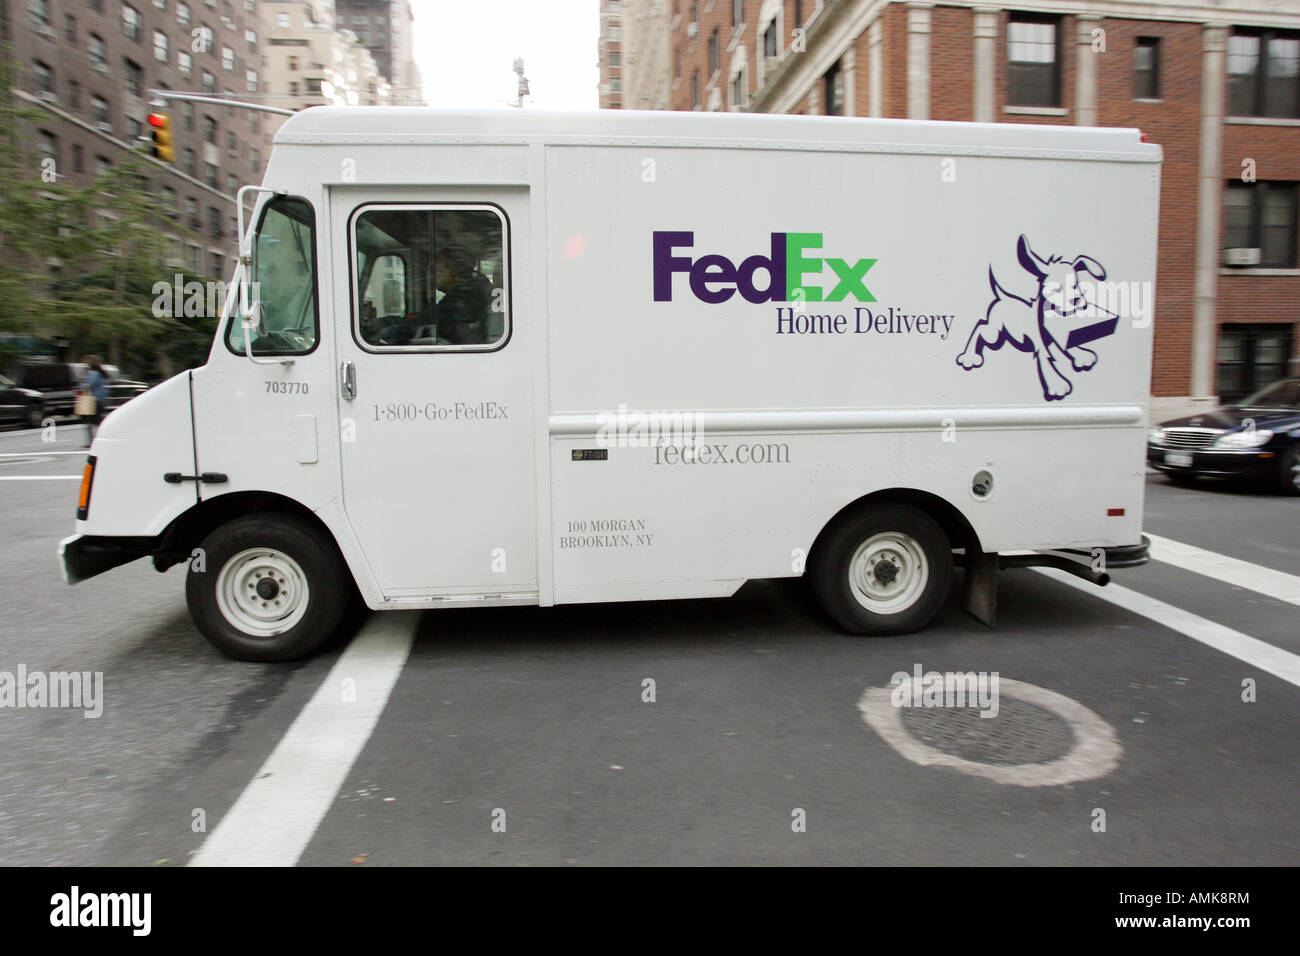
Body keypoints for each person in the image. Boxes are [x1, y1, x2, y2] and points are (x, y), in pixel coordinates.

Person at [80, 355, 109, 447]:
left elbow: (88, 386)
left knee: (89, 422)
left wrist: (81, 387)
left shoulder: (93, 373)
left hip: (90, 399)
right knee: (96, 421)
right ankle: (98, 440)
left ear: (90, 363)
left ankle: (92, 441)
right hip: (100, 399)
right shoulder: (102, 373)